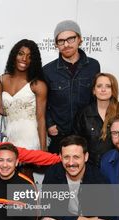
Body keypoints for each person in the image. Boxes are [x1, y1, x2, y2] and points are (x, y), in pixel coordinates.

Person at [36, 135, 119, 220]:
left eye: (76, 157)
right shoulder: (53, 173)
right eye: (66, 157)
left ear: (85, 157)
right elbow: (49, 207)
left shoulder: (98, 179)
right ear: (60, 157)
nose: (71, 162)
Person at [44, 20, 100, 153]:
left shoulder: (93, 66)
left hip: (87, 134)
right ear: (56, 44)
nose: (66, 44)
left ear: (79, 39)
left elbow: (96, 98)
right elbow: (43, 102)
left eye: (71, 39)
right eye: (61, 41)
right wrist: (50, 124)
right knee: (57, 172)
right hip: (59, 136)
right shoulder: (48, 70)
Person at [74, 73, 119, 167]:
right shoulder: (83, 114)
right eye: (99, 86)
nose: (103, 90)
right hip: (91, 169)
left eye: (108, 86)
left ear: (113, 90)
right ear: (94, 90)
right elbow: (77, 144)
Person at [0, 39, 47, 151]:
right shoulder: (1, 80)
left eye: (29, 56)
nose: (24, 59)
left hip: (31, 139)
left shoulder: (37, 85)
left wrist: (43, 149)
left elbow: (41, 119)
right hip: (9, 138)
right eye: (20, 54)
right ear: (14, 55)